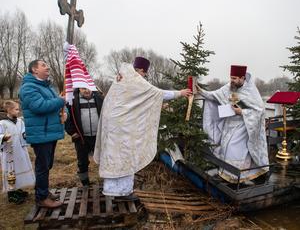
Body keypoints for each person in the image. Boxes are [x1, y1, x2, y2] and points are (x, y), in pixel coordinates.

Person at [94, 56, 192, 200]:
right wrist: (180, 93)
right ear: (140, 70)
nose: (144, 76)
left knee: (114, 155)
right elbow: (158, 93)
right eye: (144, 73)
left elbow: (135, 103)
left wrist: (158, 105)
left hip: (114, 126)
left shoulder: (120, 79)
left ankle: (111, 188)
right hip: (124, 128)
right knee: (126, 155)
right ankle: (123, 192)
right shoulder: (135, 79)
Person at [198, 64, 269, 183]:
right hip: (229, 125)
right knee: (225, 148)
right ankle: (226, 174)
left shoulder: (251, 90)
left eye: (235, 78)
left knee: (234, 150)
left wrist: (242, 112)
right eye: (231, 77)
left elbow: (260, 111)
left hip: (243, 126)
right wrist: (200, 91)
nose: (232, 80)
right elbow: (214, 95)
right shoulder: (229, 87)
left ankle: (236, 176)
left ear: (242, 78)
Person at [19, 59, 66, 208]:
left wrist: (65, 114)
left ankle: (43, 191)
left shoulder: (48, 87)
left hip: (49, 132)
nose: (48, 67)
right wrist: (60, 101)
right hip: (41, 134)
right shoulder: (28, 88)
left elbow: (58, 106)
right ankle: (41, 198)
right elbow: (40, 106)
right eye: (43, 65)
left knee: (47, 165)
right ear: (34, 69)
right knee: (42, 166)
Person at [65, 88, 103, 186]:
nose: (87, 91)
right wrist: (71, 132)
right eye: (83, 89)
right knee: (82, 162)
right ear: (79, 88)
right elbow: (66, 117)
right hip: (81, 137)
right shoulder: (72, 100)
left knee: (103, 159)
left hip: (98, 137)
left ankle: (106, 181)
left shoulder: (99, 98)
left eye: (88, 88)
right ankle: (85, 183)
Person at [0, 100, 35, 204]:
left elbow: (23, 132)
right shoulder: (2, 123)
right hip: (9, 152)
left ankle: (18, 188)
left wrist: (26, 135)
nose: (18, 111)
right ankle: (11, 194)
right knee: (11, 170)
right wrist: (3, 137)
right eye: (16, 109)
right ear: (9, 110)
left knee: (19, 168)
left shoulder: (20, 121)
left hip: (20, 150)